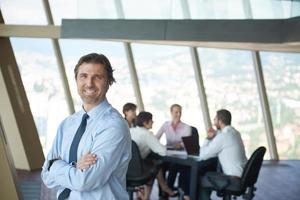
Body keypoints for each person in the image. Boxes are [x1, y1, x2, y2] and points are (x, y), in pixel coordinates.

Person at [41, 53, 131, 200]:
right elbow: (46, 177)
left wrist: (55, 165)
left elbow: (85, 181)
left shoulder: (114, 126)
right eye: (83, 76)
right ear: (76, 80)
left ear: (108, 82)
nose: (89, 83)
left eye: (97, 77)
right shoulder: (66, 124)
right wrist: (75, 166)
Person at [198, 109, 247, 200]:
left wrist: (208, 138)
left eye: (215, 119)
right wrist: (215, 135)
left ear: (220, 121)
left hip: (233, 180)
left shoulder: (223, 137)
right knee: (208, 174)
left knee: (199, 181)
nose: (213, 121)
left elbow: (202, 155)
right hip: (243, 177)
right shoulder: (235, 133)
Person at [130, 111, 177, 200]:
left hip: (124, 169)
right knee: (155, 166)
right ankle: (156, 191)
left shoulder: (130, 130)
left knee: (153, 163)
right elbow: (162, 152)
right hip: (137, 171)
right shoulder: (147, 134)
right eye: (151, 120)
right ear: (145, 122)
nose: (153, 122)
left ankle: (159, 189)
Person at [156, 104, 191, 199]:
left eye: (180, 112)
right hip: (168, 154)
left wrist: (181, 145)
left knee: (173, 166)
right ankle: (162, 193)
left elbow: (187, 143)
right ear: (171, 112)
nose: (178, 114)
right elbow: (156, 138)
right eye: (176, 112)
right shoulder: (166, 125)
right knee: (160, 166)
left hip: (180, 157)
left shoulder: (186, 127)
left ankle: (168, 191)